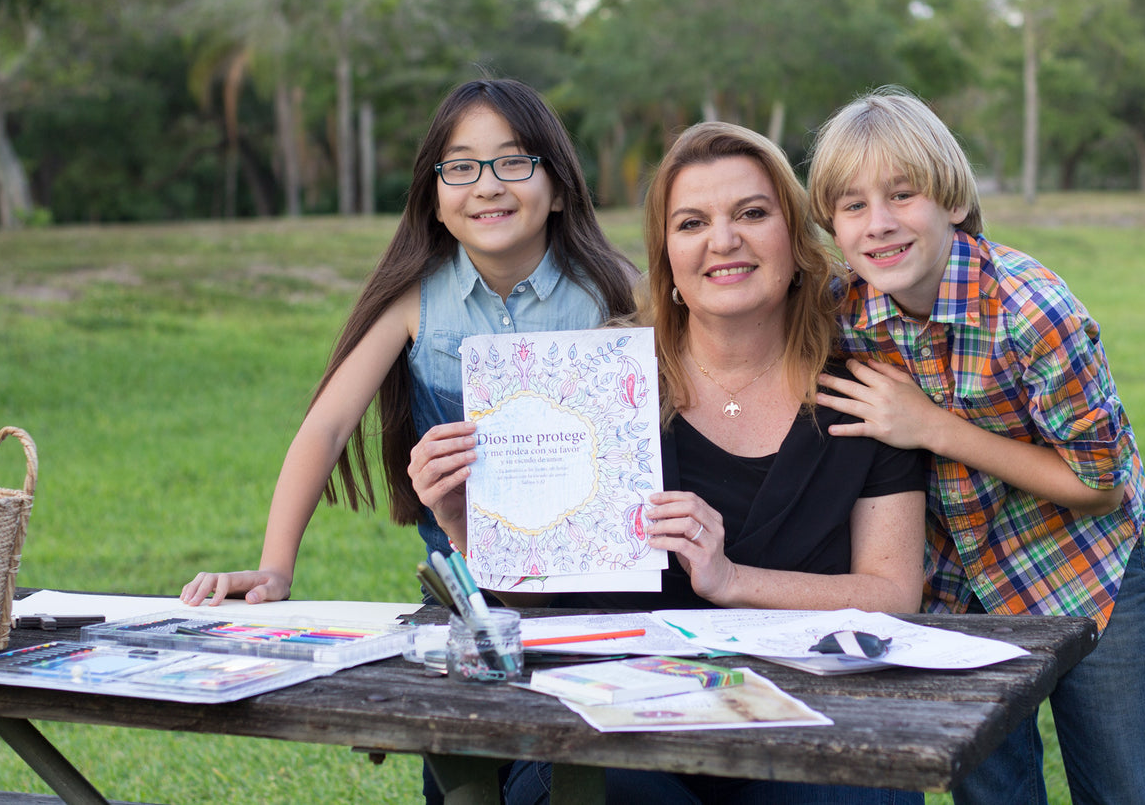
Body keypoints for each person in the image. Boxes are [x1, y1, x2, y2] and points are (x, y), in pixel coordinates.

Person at [411, 121, 929, 805]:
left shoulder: (866, 396)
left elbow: (893, 594)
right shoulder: (596, 382)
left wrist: (733, 578)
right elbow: (541, 600)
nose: (723, 240)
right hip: (618, 726)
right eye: (691, 222)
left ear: (797, 241)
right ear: (668, 257)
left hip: (808, 724)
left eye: (751, 213)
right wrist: (468, 526)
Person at [806, 86, 1145, 805]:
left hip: (1080, 567)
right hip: (952, 589)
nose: (878, 224)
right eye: (852, 205)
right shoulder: (844, 313)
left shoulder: (1034, 310)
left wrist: (929, 425)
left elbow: (1100, 482)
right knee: (991, 792)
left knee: (1124, 786)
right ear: (832, 224)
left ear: (949, 198)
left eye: (902, 194)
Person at [179, 78, 637, 608]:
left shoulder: (617, 291)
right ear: (435, 201)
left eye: (514, 162)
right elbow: (326, 430)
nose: (487, 186)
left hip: (605, 592)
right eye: (461, 167)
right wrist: (275, 569)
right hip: (464, 597)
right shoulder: (412, 301)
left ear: (558, 189)